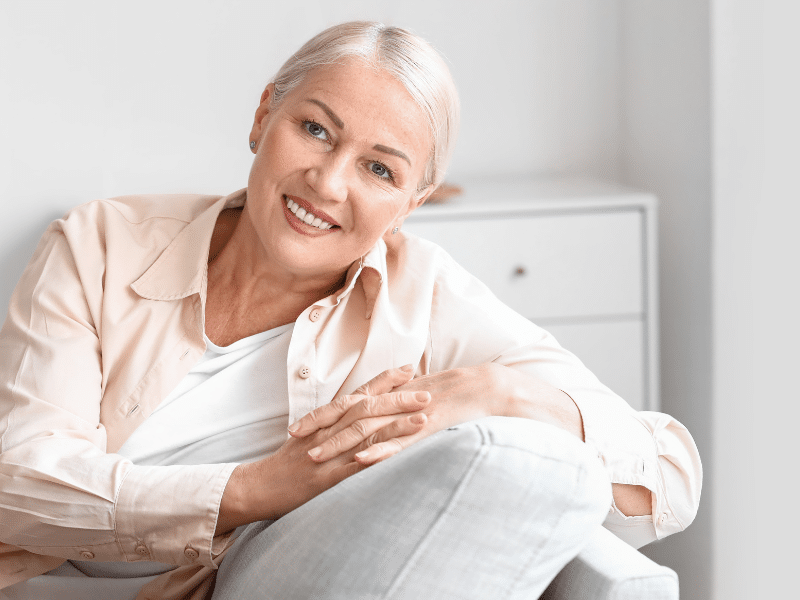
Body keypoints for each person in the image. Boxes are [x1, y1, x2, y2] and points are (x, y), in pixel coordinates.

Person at [0, 21, 701, 600]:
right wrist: (251, 490)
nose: (328, 182)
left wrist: (500, 391)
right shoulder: (99, 241)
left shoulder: (425, 299)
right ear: (262, 114)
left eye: (380, 169)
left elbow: (670, 473)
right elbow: (21, 481)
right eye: (315, 129)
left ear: (411, 205)